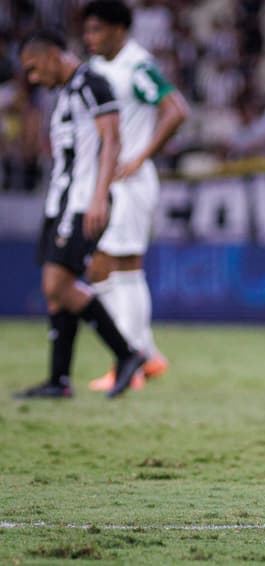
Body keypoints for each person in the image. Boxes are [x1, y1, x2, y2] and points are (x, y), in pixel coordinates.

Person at [14, 30, 146, 399]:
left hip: (83, 201)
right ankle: (59, 380)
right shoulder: (67, 93)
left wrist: (99, 196)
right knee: (54, 292)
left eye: (35, 68)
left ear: (54, 55)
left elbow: (112, 140)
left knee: (58, 285)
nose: (33, 78)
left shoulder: (92, 83)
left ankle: (128, 353)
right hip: (60, 202)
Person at [80, 0, 189, 392]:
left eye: (96, 30)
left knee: (114, 266)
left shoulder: (136, 65)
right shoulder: (98, 67)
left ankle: (128, 362)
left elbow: (175, 109)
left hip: (128, 181)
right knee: (114, 269)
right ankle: (145, 353)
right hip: (108, 180)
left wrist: (140, 157)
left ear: (117, 30)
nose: (88, 37)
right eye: (86, 30)